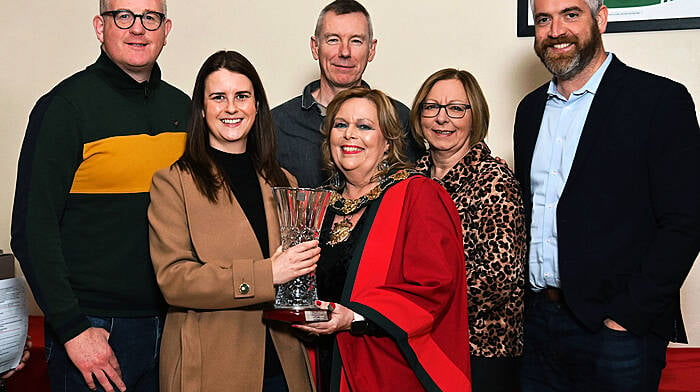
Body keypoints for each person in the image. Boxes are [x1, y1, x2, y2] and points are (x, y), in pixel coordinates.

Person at [514, 0, 700, 391]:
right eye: (543, 19)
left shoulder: (659, 101)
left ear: (600, 19)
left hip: (617, 331)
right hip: (538, 325)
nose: (555, 30)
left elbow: (686, 221)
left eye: (571, 14)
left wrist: (626, 319)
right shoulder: (529, 110)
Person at [11, 0, 190, 391]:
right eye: (122, 16)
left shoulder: (184, 109)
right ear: (99, 26)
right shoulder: (64, 108)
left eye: (150, 18)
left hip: (176, 321)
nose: (137, 28)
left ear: (166, 29)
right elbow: (30, 230)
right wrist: (74, 329)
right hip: (96, 329)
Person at [148, 50, 317, 392]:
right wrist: (268, 273)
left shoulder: (284, 181)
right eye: (218, 97)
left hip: (285, 363)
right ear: (201, 108)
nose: (231, 108)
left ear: (257, 105)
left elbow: (297, 275)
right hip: (214, 365)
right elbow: (175, 281)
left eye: (241, 96)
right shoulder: (173, 182)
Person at [294, 87, 471, 392]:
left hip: (389, 369)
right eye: (340, 125)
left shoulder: (418, 195)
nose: (350, 135)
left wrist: (353, 317)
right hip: (321, 365)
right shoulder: (319, 205)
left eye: (364, 126)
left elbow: (435, 287)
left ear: (388, 142)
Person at [411, 68, 527, 392]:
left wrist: (417, 308)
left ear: (474, 116)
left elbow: (497, 276)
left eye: (456, 108)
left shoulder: (494, 180)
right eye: (431, 107)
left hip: (481, 351)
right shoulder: (409, 180)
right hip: (421, 345)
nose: (442, 119)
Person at [272, 0, 420, 188]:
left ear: (371, 49)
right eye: (333, 39)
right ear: (315, 46)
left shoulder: (399, 118)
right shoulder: (276, 124)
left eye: (356, 41)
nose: (344, 52)